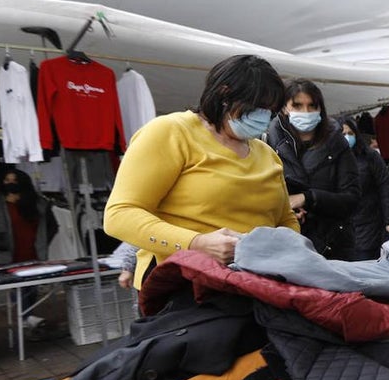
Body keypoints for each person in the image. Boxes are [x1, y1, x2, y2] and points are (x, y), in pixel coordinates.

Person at [104, 54, 300, 287]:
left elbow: (285, 219)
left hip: (257, 286)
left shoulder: (267, 154)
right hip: (184, 287)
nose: (262, 117)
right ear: (224, 94)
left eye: (269, 110)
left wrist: (288, 250)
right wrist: (197, 242)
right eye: (255, 107)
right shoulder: (171, 132)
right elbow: (120, 215)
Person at [266, 80, 360, 260]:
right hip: (287, 244)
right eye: (297, 105)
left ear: (320, 109)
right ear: (285, 108)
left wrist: (306, 198)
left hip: (333, 245)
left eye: (311, 106)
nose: (305, 112)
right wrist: (286, 209)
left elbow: (351, 198)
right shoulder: (268, 143)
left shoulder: (337, 143)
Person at [0, 169, 57, 330]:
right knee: (19, 285)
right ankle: (27, 317)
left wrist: (43, 242)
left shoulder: (38, 203)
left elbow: (53, 226)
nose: (9, 183)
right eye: (6, 180)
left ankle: (27, 317)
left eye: (13, 180)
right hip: (7, 255)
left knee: (32, 286)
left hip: (33, 253)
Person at [341, 120, 389, 260]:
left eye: (350, 133)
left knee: (366, 262)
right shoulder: (331, 159)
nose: (347, 137)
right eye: (342, 134)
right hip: (344, 227)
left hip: (369, 222)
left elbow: (385, 187)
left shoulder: (369, 156)